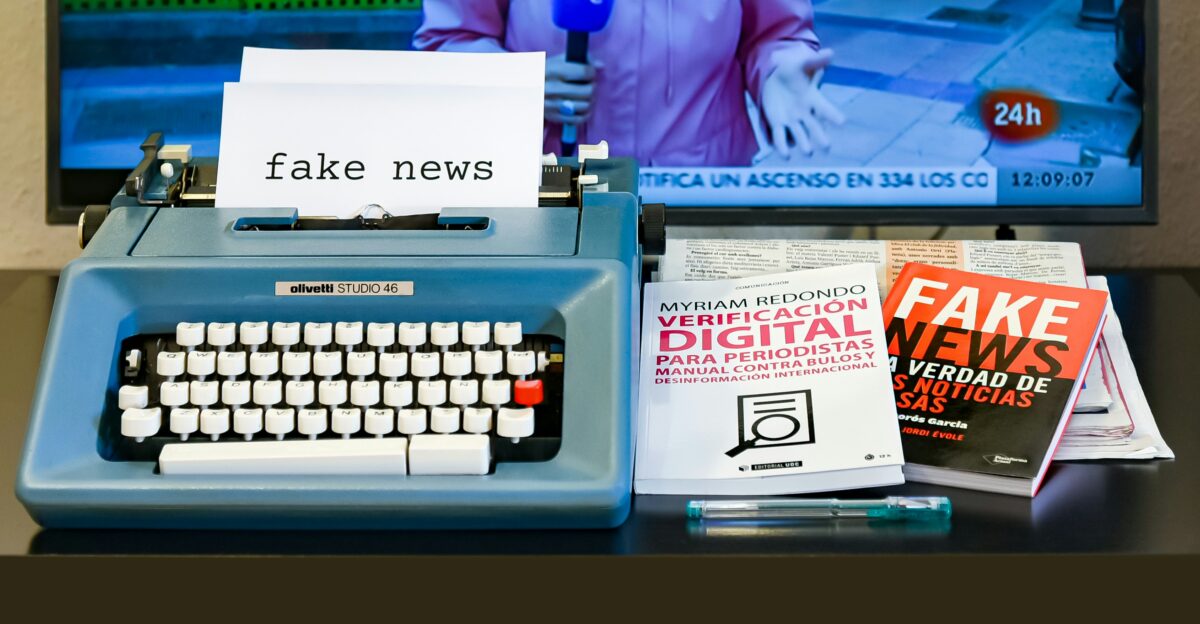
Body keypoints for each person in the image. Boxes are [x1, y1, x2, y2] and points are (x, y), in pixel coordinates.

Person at [414, 0, 845, 166]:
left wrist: (777, 72)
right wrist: (516, 83)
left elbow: (775, 34)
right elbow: (449, 39)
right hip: (545, 185)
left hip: (699, 189)